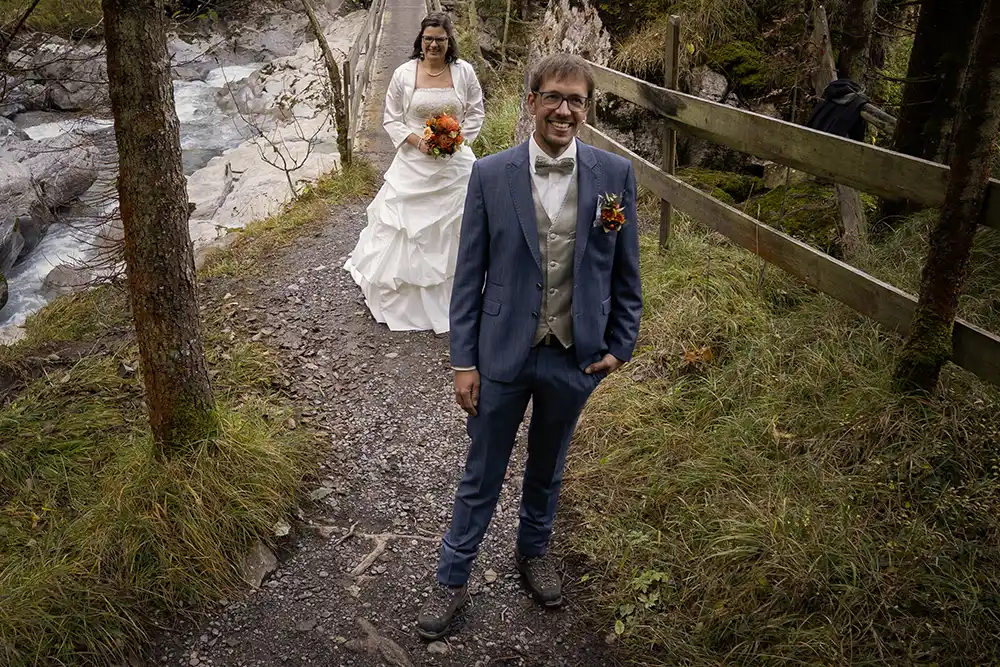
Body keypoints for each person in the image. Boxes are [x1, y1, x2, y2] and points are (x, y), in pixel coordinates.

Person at [416, 53, 642, 640]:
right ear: (532, 102)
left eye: (575, 100)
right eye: (553, 97)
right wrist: (463, 361)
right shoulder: (490, 175)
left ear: (585, 109)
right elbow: (468, 276)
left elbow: (627, 274)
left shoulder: (615, 177)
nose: (563, 110)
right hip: (501, 355)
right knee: (482, 469)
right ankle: (452, 576)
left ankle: (533, 551)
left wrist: (621, 345)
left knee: (549, 465)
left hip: (575, 354)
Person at [344, 12, 484, 334]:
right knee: (405, 228)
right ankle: (404, 299)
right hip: (414, 161)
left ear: (449, 42)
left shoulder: (464, 73)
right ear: (420, 41)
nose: (434, 44)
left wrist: (456, 140)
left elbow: (476, 111)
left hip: (455, 162)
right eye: (428, 39)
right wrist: (418, 142)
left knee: (463, 223)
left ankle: (460, 295)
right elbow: (391, 119)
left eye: (440, 39)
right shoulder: (404, 74)